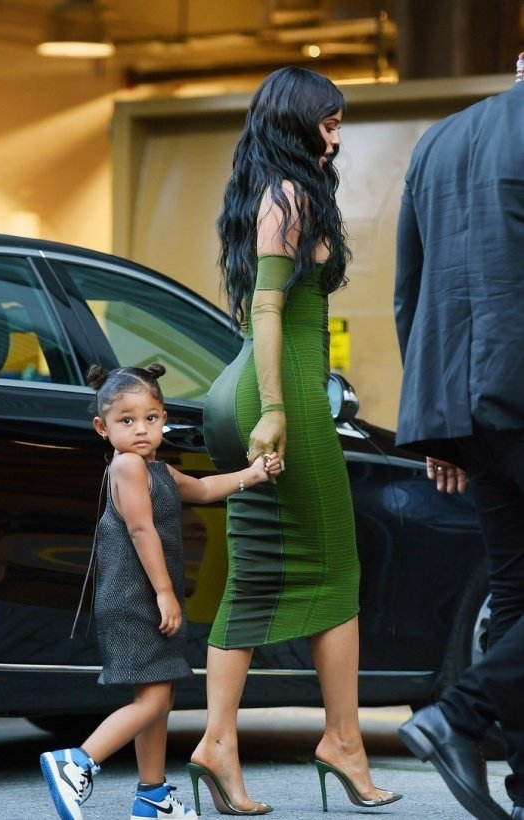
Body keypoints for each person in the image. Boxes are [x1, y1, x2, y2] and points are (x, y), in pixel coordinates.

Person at [188, 66, 402, 817]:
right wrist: (278, 408)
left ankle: (218, 742)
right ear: (295, 122)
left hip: (247, 388)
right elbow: (270, 310)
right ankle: (342, 740)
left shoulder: (273, 189)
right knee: (336, 566)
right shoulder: (289, 195)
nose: (337, 136)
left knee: (254, 572)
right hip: (276, 394)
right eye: (329, 122)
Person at [39, 364, 281, 820]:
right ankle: (77, 762)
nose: (141, 429)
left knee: (157, 698)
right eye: (126, 420)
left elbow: (208, 488)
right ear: (102, 428)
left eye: (150, 418)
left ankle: (152, 795)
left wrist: (254, 474)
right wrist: (166, 594)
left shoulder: (160, 471)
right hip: (136, 599)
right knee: (153, 700)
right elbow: (140, 529)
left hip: (145, 599)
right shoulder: (127, 466)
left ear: (164, 417)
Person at [394, 53, 524, 820]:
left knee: (512, 587)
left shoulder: (437, 141)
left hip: (457, 404)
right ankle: (459, 714)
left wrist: (437, 422)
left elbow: (409, 290)